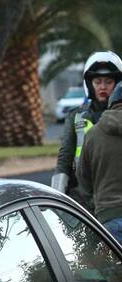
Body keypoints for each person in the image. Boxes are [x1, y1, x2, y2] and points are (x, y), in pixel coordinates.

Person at [52, 51, 122, 203]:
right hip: (83, 199)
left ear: (117, 84)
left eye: (108, 82)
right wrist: (57, 199)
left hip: (114, 197)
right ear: (90, 84)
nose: (103, 87)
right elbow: (64, 159)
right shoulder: (76, 116)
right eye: (98, 81)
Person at [76, 81, 122, 242]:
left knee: (114, 267)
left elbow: (82, 177)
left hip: (108, 218)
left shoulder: (92, 134)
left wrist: (94, 205)